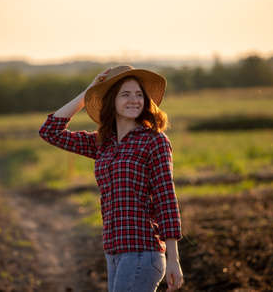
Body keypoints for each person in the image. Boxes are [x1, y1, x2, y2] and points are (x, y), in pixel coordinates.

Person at [39, 65, 184, 292]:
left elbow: (166, 199)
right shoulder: (103, 143)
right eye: (125, 94)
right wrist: (89, 91)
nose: (134, 100)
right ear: (111, 101)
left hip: (142, 251)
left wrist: (174, 259)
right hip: (114, 252)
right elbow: (50, 131)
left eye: (139, 95)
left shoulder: (154, 141)